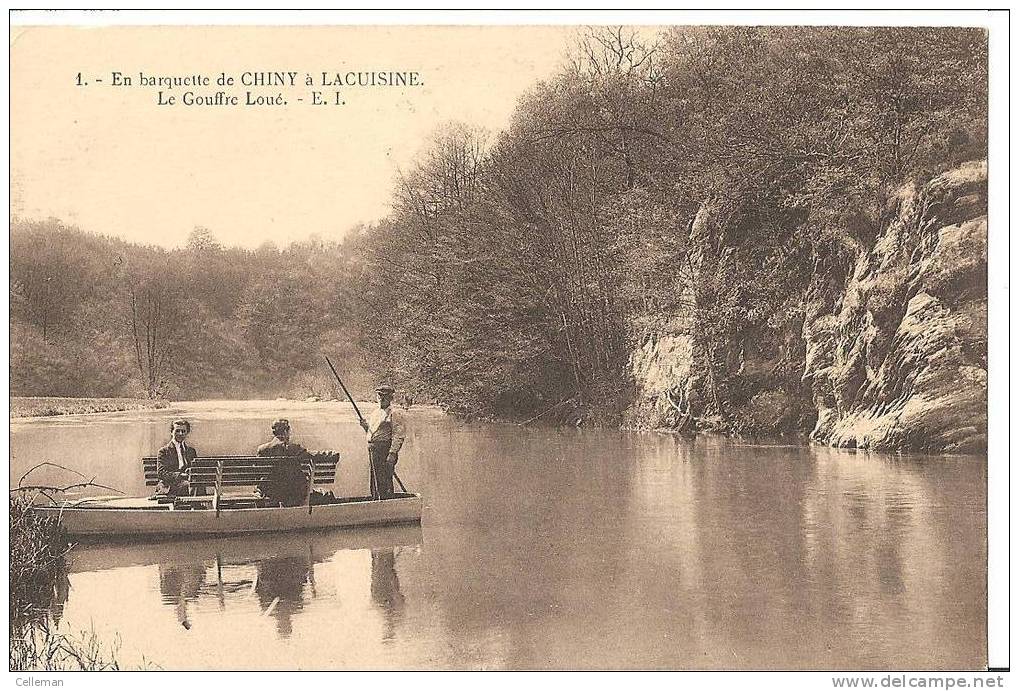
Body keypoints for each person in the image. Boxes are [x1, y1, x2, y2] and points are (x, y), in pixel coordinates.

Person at [361, 385, 407, 500]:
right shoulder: (375, 413)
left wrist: (392, 454)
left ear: (391, 398)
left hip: (385, 450)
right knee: (375, 480)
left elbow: (398, 435)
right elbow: (373, 434)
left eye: (385, 396)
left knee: (384, 479)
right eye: (379, 395)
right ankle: (376, 500)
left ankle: (387, 504)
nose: (381, 398)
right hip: (373, 450)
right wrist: (365, 427)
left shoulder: (395, 413)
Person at [255, 419, 311, 507]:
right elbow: (311, 455)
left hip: (269, 491)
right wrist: (330, 454)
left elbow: (257, 473)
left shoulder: (262, 449)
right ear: (285, 431)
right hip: (289, 493)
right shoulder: (293, 448)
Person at [156, 419, 198, 497]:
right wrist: (180, 475)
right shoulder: (164, 451)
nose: (180, 434)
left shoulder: (191, 451)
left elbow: (196, 470)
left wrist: (191, 470)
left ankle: (198, 508)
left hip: (188, 483)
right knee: (188, 486)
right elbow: (161, 473)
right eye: (177, 431)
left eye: (183, 431)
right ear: (172, 432)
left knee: (197, 485)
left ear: (187, 433)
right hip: (169, 485)